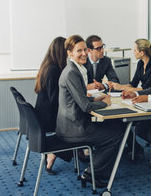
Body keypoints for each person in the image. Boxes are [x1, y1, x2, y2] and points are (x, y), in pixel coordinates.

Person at [56, 35, 124, 188]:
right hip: (74, 128)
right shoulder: (72, 72)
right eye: (78, 51)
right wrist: (105, 103)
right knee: (116, 135)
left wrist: (97, 100)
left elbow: (80, 99)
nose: (83, 53)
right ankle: (92, 172)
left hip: (72, 123)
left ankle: (97, 169)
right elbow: (85, 107)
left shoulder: (75, 69)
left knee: (117, 127)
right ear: (69, 53)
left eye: (84, 50)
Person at [34, 36, 69, 175]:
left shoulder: (47, 66)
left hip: (42, 114)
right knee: (73, 124)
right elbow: (55, 100)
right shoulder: (54, 70)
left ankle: (80, 153)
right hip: (48, 117)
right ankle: (53, 155)